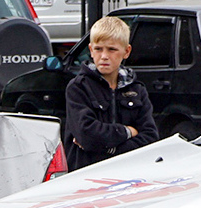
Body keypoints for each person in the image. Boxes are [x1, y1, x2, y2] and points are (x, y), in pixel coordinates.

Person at [63, 16, 157, 170]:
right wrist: (127, 132)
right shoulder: (78, 88)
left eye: (112, 49)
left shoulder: (136, 90)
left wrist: (112, 150)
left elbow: (150, 137)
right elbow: (86, 134)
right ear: (91, 50)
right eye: (99, 49)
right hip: (86, 176)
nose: (104, 56)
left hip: (128, 173)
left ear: (126, 51)